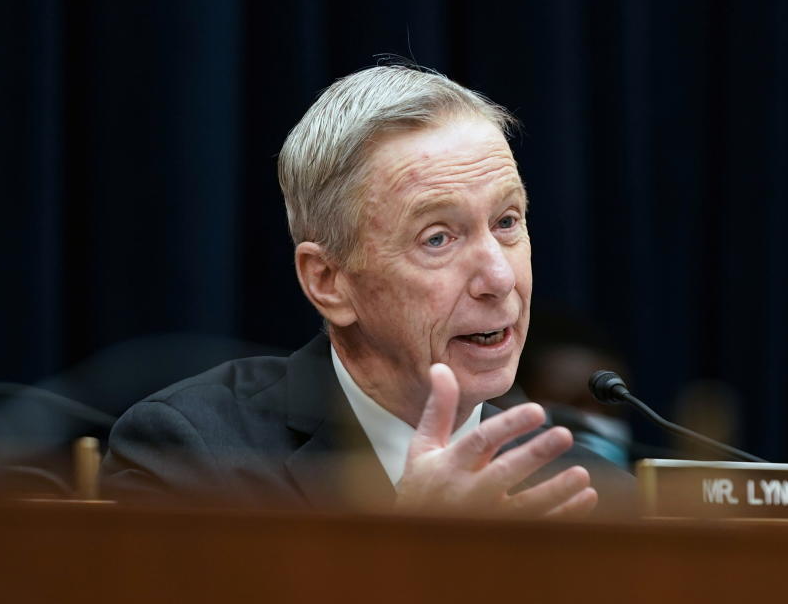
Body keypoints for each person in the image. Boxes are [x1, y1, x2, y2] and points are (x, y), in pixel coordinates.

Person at [101, 65, 634, 516]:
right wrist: (410, 555)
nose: (498, 279)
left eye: (507, 222)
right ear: (328, 282)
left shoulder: (590, 488)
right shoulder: (191, 453)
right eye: (438, 237)